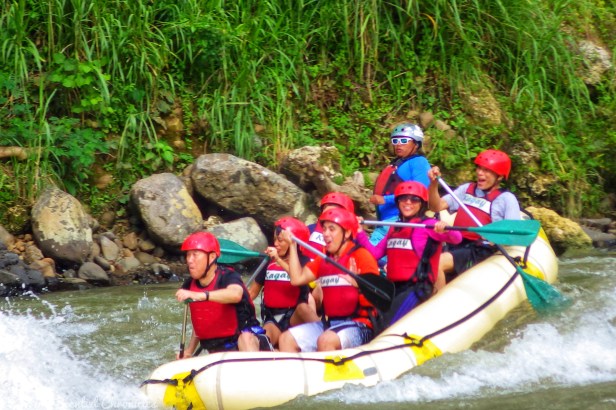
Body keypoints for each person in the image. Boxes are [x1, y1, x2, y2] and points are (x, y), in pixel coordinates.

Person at [357, 181, 462, 324]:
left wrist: (446, 229)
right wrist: (359, 232)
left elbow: (457, 239)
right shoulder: (394, 228)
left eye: (414, 199)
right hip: (394, 288)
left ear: (422, 203)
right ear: (398, 202)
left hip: (418, 289)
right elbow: (374, 254)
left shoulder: (429, 225)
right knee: (375, 319)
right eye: (403, 198)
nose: (408, 202)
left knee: (387, 323)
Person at [277, 208, 380, 352]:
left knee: (326, 340)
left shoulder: (362, 256)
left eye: (332, 229)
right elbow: (296, 279)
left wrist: (359, 284)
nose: (325, 234)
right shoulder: (323, 260)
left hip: (360, 325)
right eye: (324, 229)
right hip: (330, 325)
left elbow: (379, 298)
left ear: (347, 233)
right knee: (286, 339)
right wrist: (292, 246)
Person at [428, 149, 521, 285]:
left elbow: (513, 234)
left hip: (480, 249)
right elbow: (435, 207)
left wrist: (494, 237)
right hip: (456, 243)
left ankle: (439, 297)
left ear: (500, 177)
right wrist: (433, 184)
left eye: (486, 170)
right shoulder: (467, 189)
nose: (480, 173)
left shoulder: (507, 199)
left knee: (438, 263)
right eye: (479, 168)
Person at [175, 231, 272, 356]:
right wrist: (189, 351)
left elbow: (236, 294)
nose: (189, 260)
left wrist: (202, 295)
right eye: (188, 255)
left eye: (195, 255)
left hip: (248, 343)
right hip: (218, 351)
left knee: (245, 338)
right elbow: (201, 321)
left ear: (212, 257)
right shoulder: (190, 284)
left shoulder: (228, 276)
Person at [248, 217, 320, 348]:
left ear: (294, 242)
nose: (275, 244)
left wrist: (279, 260)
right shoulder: (269, 262)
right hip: (273, 317)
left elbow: (297, 278)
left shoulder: (304, 262)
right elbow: (252, 292)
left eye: (280, 240)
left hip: (295, 316)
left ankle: (323, 333)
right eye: (275, 239)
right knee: (261, 339)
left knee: (303, 308)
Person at [369, 123, 431, 248]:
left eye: (404, 141)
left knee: (371, 254)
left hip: (398, 220)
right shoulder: (397, 163)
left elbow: (420, 191)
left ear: (416, 144)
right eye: (395, 141)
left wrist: (385, 200)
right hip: (384, 221)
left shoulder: (419, 162)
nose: (398, 144)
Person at [305, 192, 356, 311]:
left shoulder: (351, 236)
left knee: (320, 289)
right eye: (326, 210)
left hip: (330, 279)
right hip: (308, 275)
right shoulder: (310, 229)